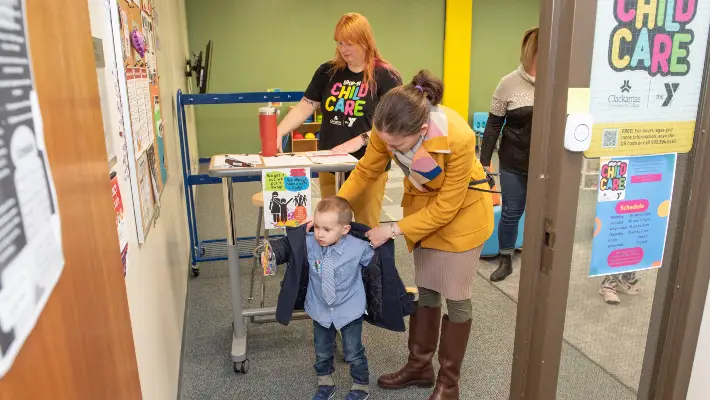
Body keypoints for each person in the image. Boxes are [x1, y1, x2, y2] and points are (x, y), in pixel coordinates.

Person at [337, 70, 494, 400]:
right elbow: (367, 169)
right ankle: (420, 367)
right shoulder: (388, 125)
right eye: (385, 141)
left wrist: (391, 230)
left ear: (422, 130)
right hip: (423, 211)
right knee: (426, 289)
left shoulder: (459, 137)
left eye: (396, 146)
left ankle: (449, 383)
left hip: (462, 215)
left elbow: (447, 208)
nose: (389, 148)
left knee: (457, 297)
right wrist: (336, 205)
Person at [268, 196, 414, 400]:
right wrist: (274, 250)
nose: (319, 234)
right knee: (321, 351)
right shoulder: (310, 243)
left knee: (353, 350)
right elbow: (290, 246)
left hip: (349, 309)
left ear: (344, 230)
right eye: (317, 227)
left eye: (327, 229)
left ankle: (361, 385)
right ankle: (325, 383)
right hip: (320, 308)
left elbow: (377, 263)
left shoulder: (358, 247)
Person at [276, 12, 402, 229]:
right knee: (330, 225)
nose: (344, 49)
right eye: (340, 43)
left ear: (365, 41)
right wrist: (278, 132)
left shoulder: (385, 76)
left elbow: (395, 121)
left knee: (364, 228)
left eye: (350, 43)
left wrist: (361, 139)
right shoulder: (328, 71)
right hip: (330, 162)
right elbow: (305, 106)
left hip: (368, 165)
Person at [479, 27, 539, 282]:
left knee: (542, 213)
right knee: (512, 211)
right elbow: (493, 125)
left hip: (546, 164)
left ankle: (539, 259)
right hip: (514, 160)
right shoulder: (509, 83)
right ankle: (505, 259)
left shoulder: (558, 81)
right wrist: (483, 162)